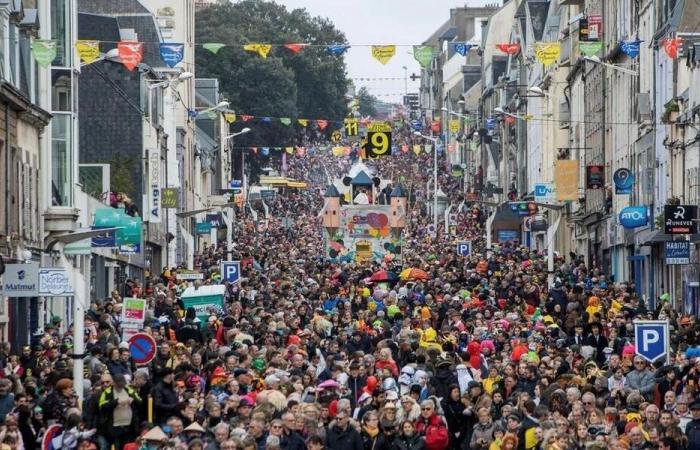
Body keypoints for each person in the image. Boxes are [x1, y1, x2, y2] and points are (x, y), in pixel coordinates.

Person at [98, 373, 142, 450]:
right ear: (113, 383)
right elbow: (102, 406)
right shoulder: (107, 392)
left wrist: (133, 400)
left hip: (129, 426)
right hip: (114, 427)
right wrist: (116, 402)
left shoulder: (128, 389)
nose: (121, 386)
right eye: (119, 384)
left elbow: (140, 401)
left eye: (122, 384)